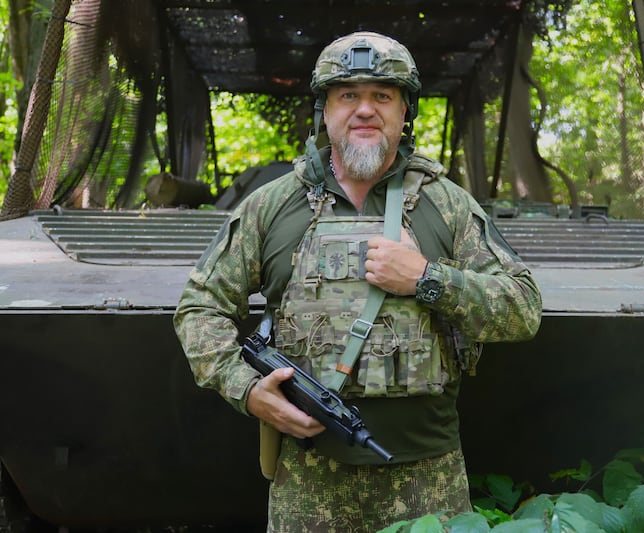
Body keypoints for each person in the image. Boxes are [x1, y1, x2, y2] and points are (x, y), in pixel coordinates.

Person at [174, 31, 542, 532]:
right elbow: (199, 307)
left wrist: (428, 280)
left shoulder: (447, 204)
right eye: (348, 94)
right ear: (325, 109)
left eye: (382, 96)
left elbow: (523, 308)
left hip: (427, 480)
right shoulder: (273, 205)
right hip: (308, 481)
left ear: (404, 111)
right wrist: (247, 390)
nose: (365, 110)